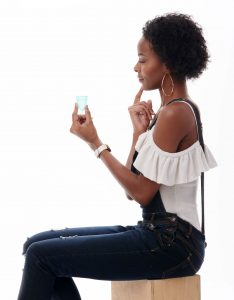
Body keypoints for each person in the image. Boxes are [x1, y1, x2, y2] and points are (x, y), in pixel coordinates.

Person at [17, 12, 218, 300]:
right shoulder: (167, 112)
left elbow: (142, 194)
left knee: (41, 256)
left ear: (168, 62)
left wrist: (95, 143)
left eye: (142, 59)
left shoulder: (175, 112)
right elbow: (132, 191)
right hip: (158, 233)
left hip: (171, 244)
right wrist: (138, 135)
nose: (136, 67)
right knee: (34, 245)